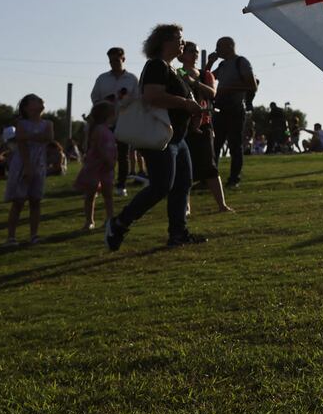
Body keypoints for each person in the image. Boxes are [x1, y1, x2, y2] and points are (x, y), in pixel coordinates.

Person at [106, 24, 208, 251]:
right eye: (179, 39)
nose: (183, 43)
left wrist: (192, 113)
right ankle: (119, 223)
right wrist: (185, 104)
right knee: (161, 186)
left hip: (176, 138)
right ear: (164, 42)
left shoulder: (171, 69)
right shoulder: (155, 66)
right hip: (160, 137)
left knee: (181, 185)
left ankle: (178, 234)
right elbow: (152, 96)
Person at [179, 41, 233, 213]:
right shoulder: (176, 72)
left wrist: (194, 83)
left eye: (195, 51)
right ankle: (185, 206)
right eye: (190, 51)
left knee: (209, 164)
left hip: (204, 122)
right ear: (182, 54)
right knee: (184, 167)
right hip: (183, 124)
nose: (194, 54)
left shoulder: (205, 74)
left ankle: (221, 204)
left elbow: (212, 93)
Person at [4, 94, 53, 246]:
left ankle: (34, 235)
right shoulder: (22, 123)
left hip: (39, 164)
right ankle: (11, 237)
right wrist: (27, 166)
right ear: (26, 107)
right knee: (18, 201)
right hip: (23, 164)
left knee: (35, 201)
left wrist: (30, 137)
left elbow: (48, 138)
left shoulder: (48, 123)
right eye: (35, 100)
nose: (40, 101)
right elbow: (22, 143)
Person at [91, 47, 140, 198]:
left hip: (123, 120)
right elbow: (95, 97)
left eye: (117, 60)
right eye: (111, 61)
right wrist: (105, 102)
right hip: (105, 122)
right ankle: (99, 184)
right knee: (101, 153)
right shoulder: (102, 78)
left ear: (123, 59)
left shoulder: (131, 79)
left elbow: (138, 99)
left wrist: (125, 101)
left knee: (123, 154)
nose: (113, 64)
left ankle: (121, 185)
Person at [207, 37, 256, 187]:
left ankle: (234, 179)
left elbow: (252, 85)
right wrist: (210, 63)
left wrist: (227, 89)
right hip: (220, 109)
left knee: (235, 145)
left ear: (229, 46)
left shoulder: (241, 62)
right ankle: (210, 179)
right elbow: (205, 77)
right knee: (215, 145)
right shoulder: (222, 65)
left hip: (235, 109)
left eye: (219, 47)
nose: (216, 50)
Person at [74, 101, 119, 232]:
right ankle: (89, 220)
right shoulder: (99, 129)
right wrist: (108, 159)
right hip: (97, 166)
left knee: (108, 194)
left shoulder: (108, 130)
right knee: (91, 194)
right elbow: (99, 148)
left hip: (107, 167)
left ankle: (110, 218)